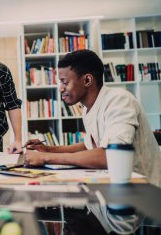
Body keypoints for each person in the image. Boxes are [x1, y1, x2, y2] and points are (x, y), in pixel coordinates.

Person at [24, 49, 161, 186]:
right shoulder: (88, 108)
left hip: (144, 193)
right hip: (116, 191)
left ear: (87, 80)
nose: (60, 89)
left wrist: (46, 158)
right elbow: (88, 146)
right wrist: (49, 149)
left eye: (65, 82)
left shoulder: (119, 100)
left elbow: (110, 156)